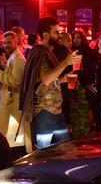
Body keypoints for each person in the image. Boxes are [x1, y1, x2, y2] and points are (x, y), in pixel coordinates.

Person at [20, 17, 81, 151]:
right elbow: (46, 79)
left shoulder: (46, 51)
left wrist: (62, 79)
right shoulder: (41, 52)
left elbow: (45, 82)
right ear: (46, 35)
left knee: (67, 150)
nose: (59, 36)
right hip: (44, 113)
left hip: (56, 112)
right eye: (56, 32)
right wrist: (66, 62)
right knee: (43, 154)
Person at [0, 31, 26, 147]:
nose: (6, 45)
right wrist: (2, 67)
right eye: (4, 43)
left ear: (16, 42)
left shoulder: (18, 59)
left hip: (12, 105)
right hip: (9, 103)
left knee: (10, 139)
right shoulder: (14, 57)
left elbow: (15, 82)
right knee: (8, 137)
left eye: (9, 42)